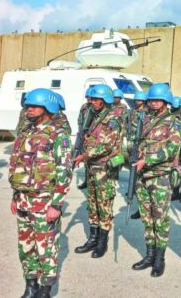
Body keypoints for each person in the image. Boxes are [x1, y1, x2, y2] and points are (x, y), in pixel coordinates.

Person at [8, 88, 73, 298]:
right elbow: (18, 165)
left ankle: (45, 289)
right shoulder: (25, 132)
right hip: (23, 200)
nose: (29, 109)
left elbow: (64, 171)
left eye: (35, 106)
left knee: (46, 248)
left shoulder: (58, 135)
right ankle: (30, 286)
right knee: (25, 246)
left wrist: (56, 204)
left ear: (48, 108)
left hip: (44, 202)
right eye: (28, 106)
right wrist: (15, 196)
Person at [131, 83, 181, 277]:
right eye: (151, 100)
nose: (153, 103)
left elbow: (172, 149)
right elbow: (137, 142)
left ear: (166, 101)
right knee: (147, 218)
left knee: (160, 219)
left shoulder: (173, 122)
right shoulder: (143, 120)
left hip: (160, 177)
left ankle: (160, 259)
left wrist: (148, 160)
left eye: (157, 100)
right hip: (142, 176)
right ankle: (149, 255)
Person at [73, 84, 124, 259]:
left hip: (104, 168)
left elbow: (106, 145)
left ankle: (102, 242)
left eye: (96, 99)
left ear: (105, 100)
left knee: (104, 205)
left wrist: (84, 155)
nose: (92, 101)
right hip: (92, 167)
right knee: (92, 204)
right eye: (91, 99)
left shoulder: (112, 119)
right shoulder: (94, 116)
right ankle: (93, 238)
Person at [128, 90, 148, 220]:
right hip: (134, 144)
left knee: (143, 181)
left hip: (144, 147)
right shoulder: (132, 111)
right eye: (136, 100)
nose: (137, 102)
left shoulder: (147, 112)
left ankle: (143, 209)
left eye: (140, 100)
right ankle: (140, 208)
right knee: (136, 179)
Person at [77, 87, 93, 190]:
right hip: (84, 135)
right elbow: (80, 120)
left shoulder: (97, 108)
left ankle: (92, 181)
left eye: (90, 97)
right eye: (87, 97)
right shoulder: (84, 107)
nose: (89, 99)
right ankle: (87, 181)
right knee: (86, 160)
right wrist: (81, 132)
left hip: (93, 137)